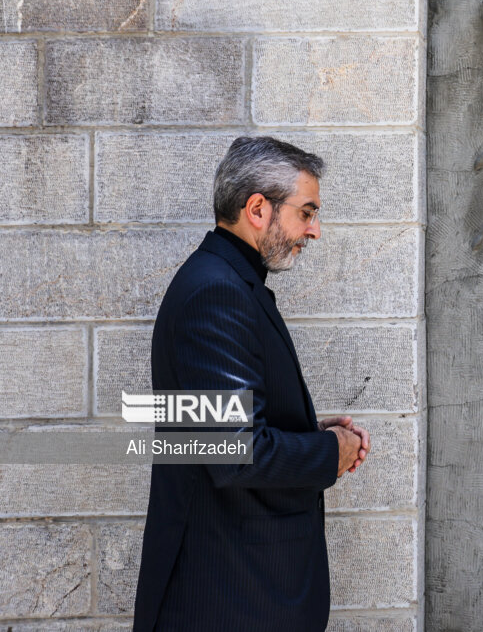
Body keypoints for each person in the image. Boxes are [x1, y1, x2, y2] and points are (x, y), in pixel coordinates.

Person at [132, 136, 371, 632]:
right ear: (258, 208)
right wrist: (330, 452)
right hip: (226, 598)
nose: (316, 231)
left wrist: (309, 431)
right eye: (306, 213)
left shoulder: (230, 282)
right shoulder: (217, 292)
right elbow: (234, 451)